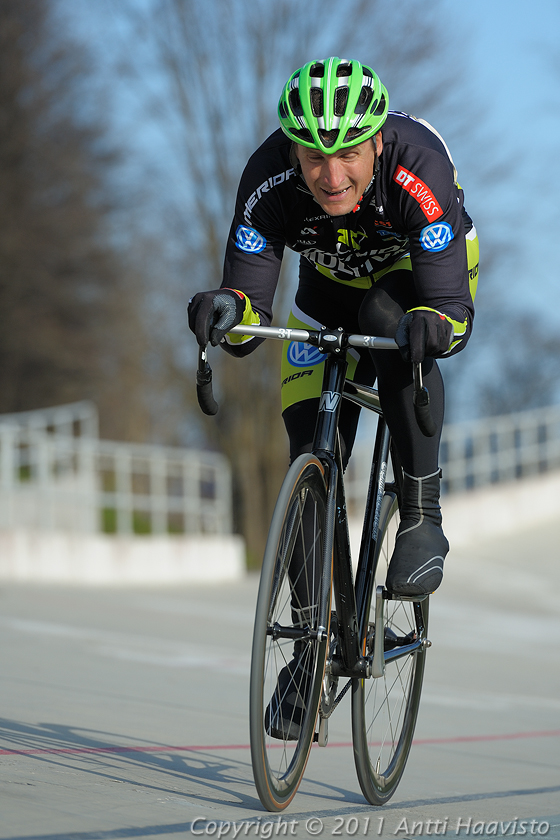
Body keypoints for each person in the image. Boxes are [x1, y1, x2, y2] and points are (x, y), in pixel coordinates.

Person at [189, 57, 478, 738]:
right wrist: (223, 310)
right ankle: (309, 651)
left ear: (378, 140)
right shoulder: (269, 179)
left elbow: (451, 317)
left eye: (348, 151)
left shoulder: (418, 168)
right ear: (292, 147)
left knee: (394, 324)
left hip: (416, 283)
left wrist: (433, 324)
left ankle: (420, 511)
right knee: (305, 449)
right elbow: (248, 308)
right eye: (314, 155)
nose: (331, 173)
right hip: (323, 301)